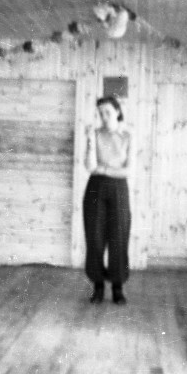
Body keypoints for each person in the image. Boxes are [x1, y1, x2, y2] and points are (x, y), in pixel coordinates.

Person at [83, 96, 131, 304]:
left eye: (107, 112)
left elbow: (128, 170)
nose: (103, 116)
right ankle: (98, 286)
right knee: (94, 238)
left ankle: (117, 288)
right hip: (95, 189)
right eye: (100, 113)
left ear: (117, 112)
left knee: (119, 238)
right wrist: (90, 141)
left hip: (119, 190)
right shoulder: (94, 134)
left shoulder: (128, 136)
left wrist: (103, 169)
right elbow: (90, 166)